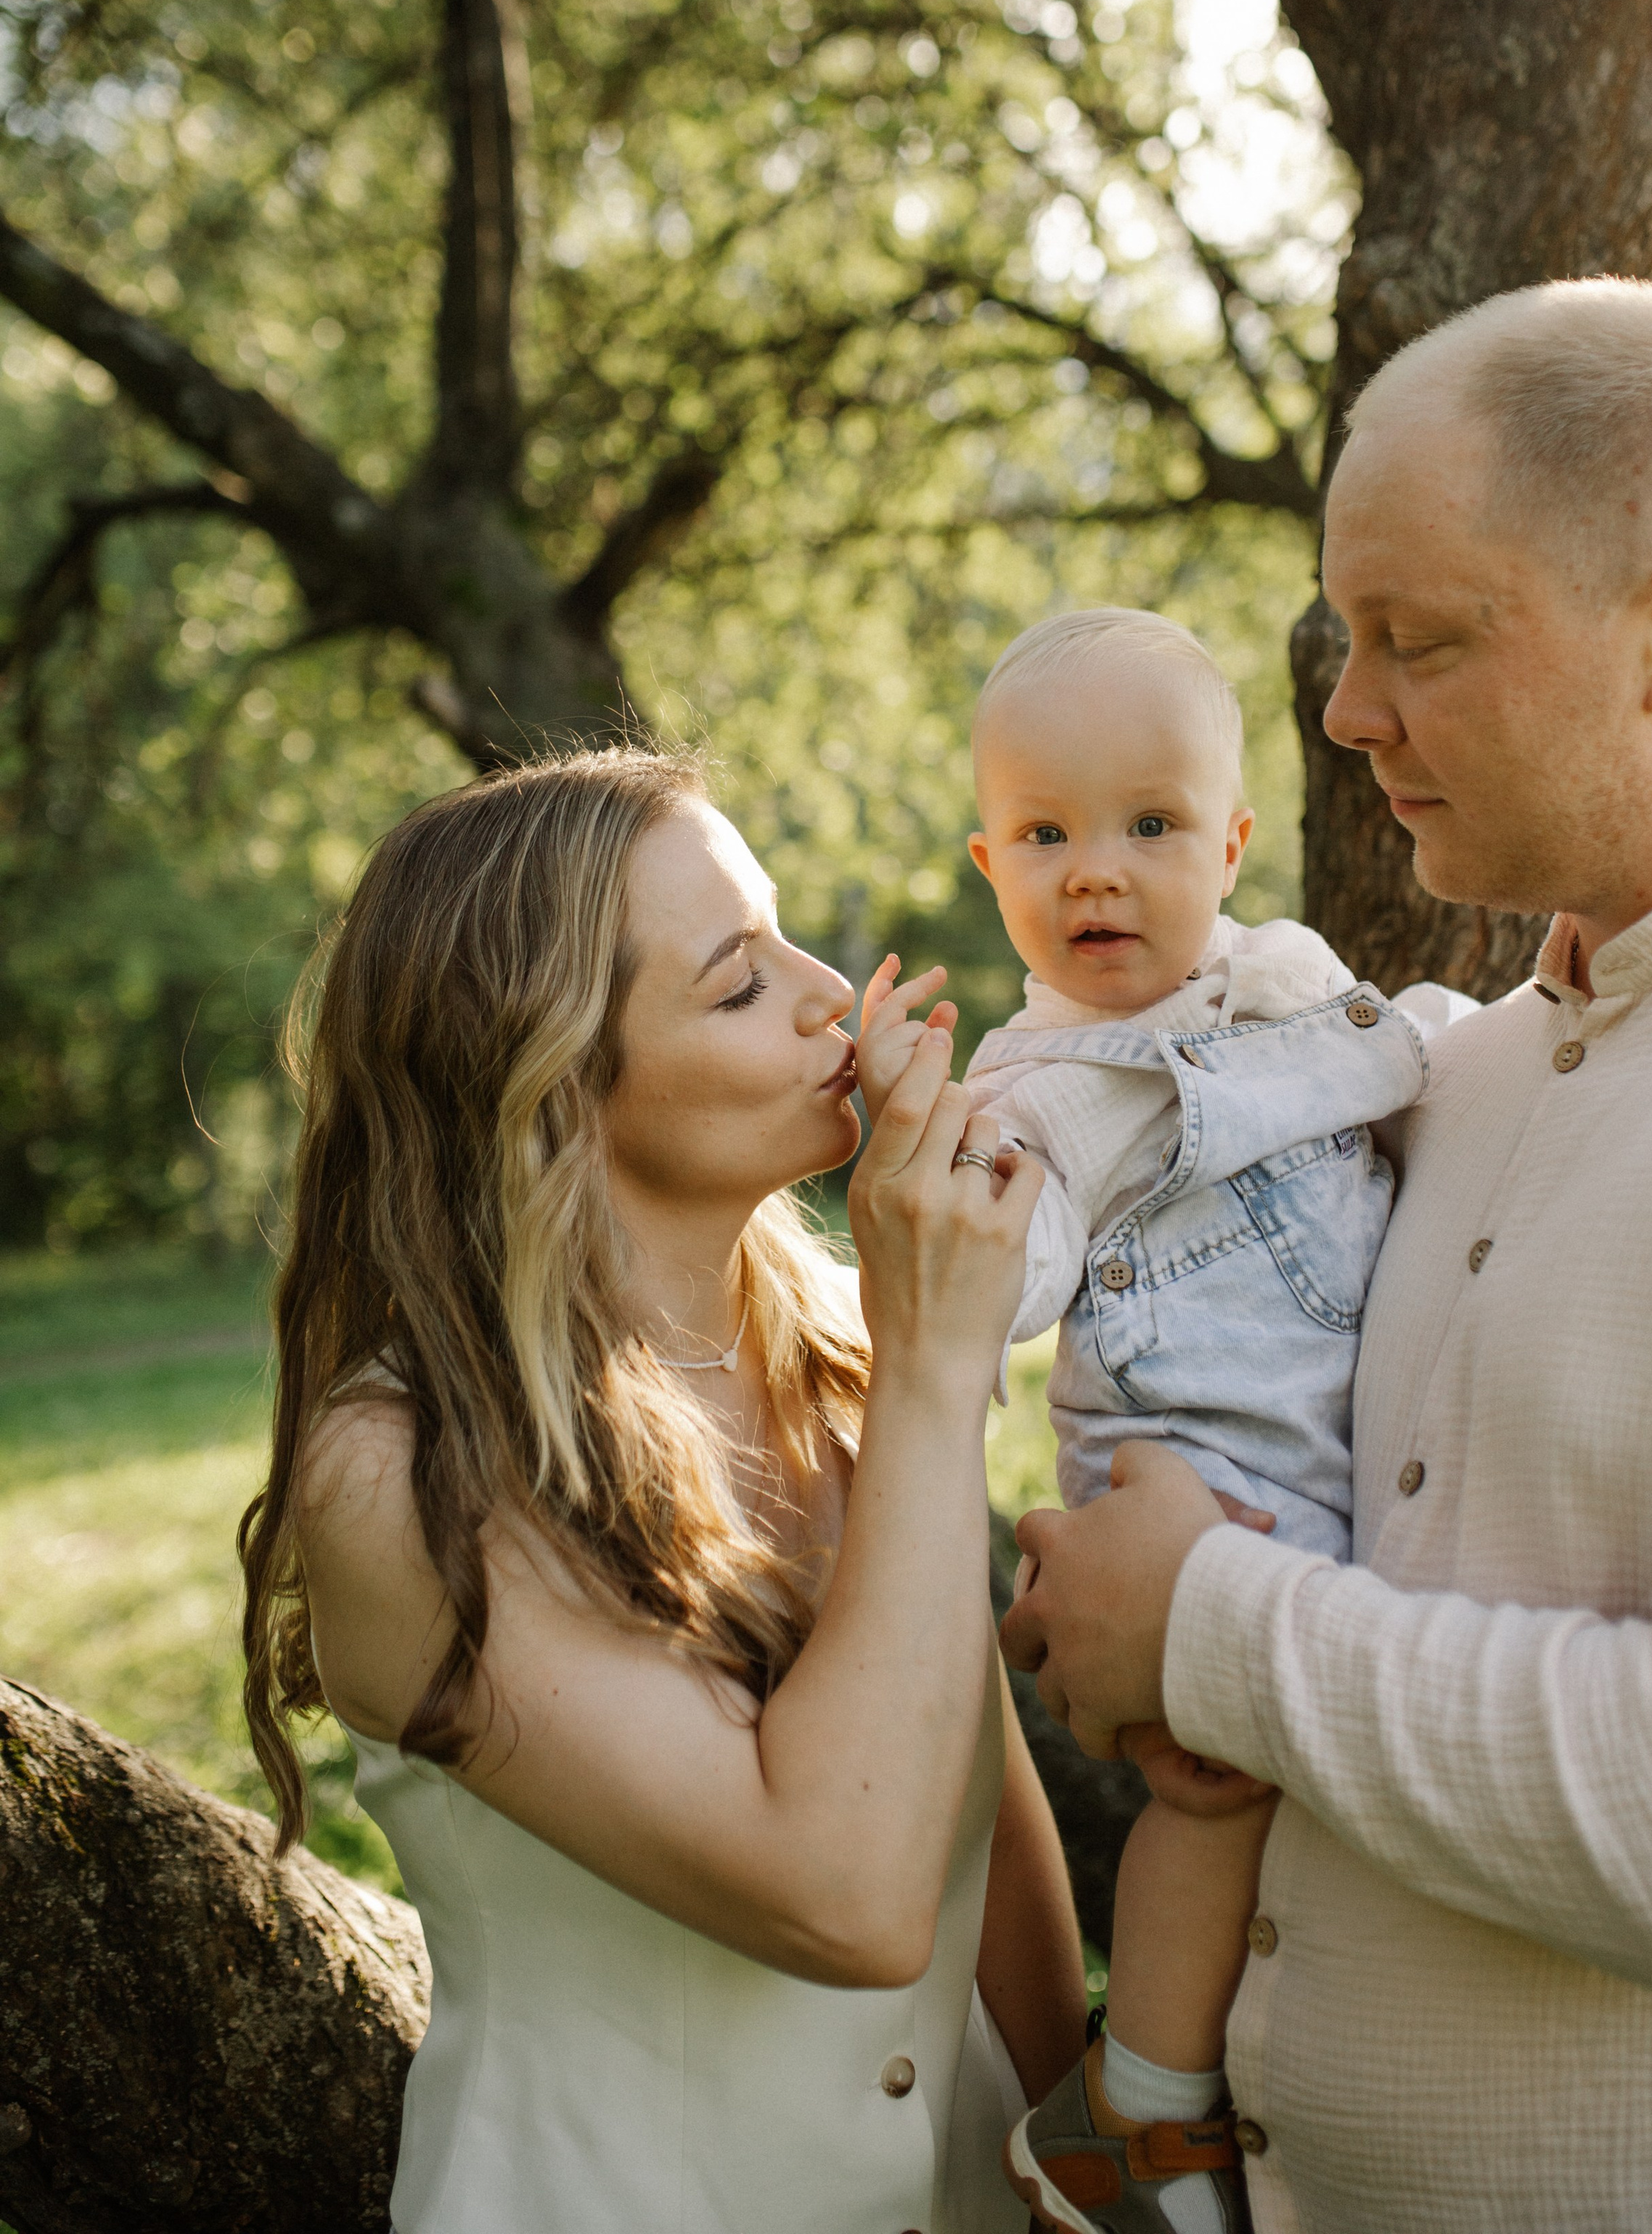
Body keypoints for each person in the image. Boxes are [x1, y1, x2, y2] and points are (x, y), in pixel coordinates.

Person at [1000, 277, 1652, 2233]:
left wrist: (1198, 1630)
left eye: (1419, 643)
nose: (1345, 712)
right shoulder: (1444, 1072)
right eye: (1341, 638)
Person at [239, 746, 1084, 2234]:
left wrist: (1082, 2156)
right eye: (738, 980)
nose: (831, 989)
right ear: (550, 1091)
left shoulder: (833, 1355)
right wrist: (939, 1371)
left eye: (780, 932)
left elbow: (983, 1806)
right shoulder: (402, 1471)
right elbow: (845, 1892)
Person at [856, 608, 1449, 2234]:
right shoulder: (1034, 1094)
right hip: (1179, 1487)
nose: (1093, 872)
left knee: (1312, 1777)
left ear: (1233, 842)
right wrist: (938, 1197)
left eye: (1147, 826)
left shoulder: (1289, 988)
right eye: (1043, 835)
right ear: (989, 865)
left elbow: (1402, 1066)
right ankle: (1141, 2108)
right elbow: (1010, 1263)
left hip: (1320, 1477)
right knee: (1213, 1787)